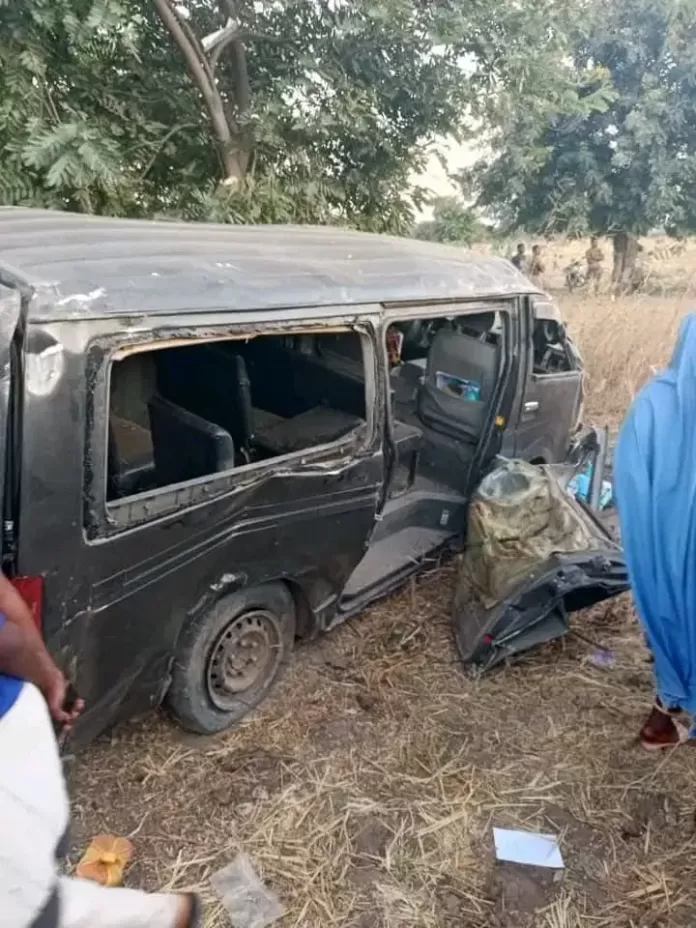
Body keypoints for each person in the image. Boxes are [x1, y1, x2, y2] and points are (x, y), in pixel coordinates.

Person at [0, 571, 201, 927]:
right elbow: (7, 603)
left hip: (9, 737)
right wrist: (50, 677)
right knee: (32, 878)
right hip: (18, 725)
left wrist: (48, 677)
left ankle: (160, 917)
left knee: (26, 908)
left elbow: (8, 642)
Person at [614, 315, 696, 750]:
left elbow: (628, 480)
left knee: (670, 623)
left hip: (664, 557)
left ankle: (662, 721)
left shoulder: (654, 403)